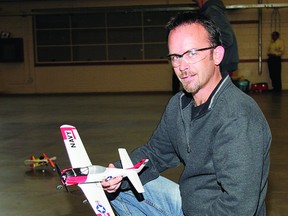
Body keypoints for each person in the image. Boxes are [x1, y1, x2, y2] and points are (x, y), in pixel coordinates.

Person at [102, 12, 271, 215]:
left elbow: (238, 207)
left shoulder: (238, 117)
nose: (182, 66)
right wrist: (117, 173)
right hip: (189, 205)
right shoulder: (180, 104)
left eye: (192, 53)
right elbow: (156, 152)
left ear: (216, 55)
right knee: (117, 189)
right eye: (175, 56)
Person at [193, 0, 239, 77]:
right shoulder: (212, 10)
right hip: (223, 64)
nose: (197, 3)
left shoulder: (212, 11)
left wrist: (206, 51)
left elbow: (226, 38)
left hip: (222, 65)